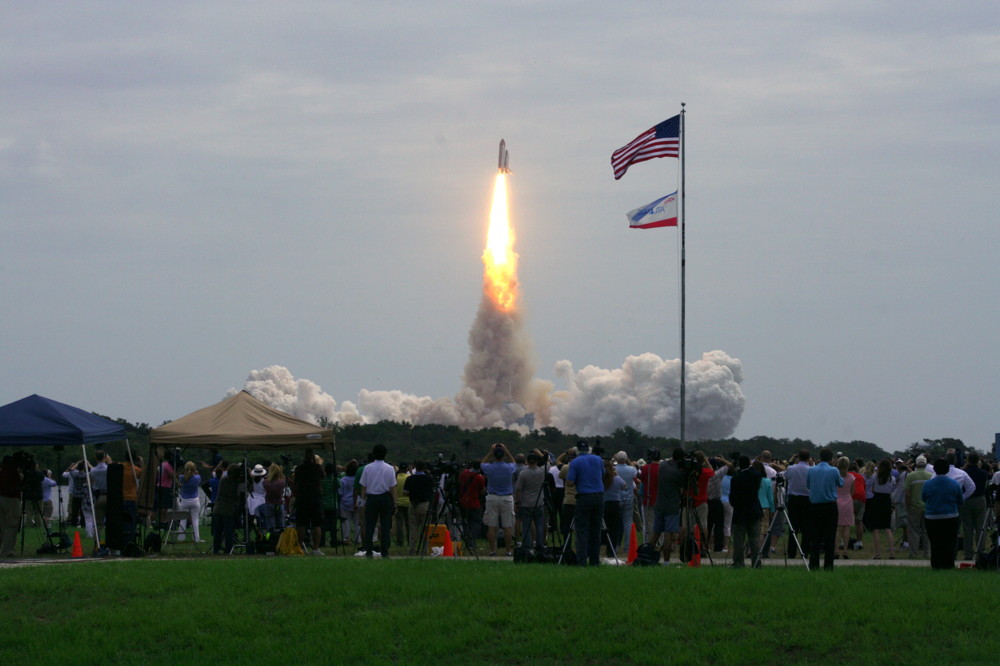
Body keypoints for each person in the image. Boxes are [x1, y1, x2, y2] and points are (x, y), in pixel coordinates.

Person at [922, 458, 964, 569]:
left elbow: (924, 498)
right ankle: (948, 564)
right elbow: (960, 500)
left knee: (935, 542)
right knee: (949, 542)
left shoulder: (927, 484)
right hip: (950, 516)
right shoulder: (954, 484)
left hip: (932, 517)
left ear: (934, 469)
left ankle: (936, 564)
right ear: (947, 470)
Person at [806, 448, 844, 570]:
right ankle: (828, 565)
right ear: (831, 459)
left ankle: (814, 564)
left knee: (815, 536)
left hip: (815, 506)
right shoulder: (834, 470)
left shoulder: (811, 470)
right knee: (830, 537)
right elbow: (841, 483)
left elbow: (808, 485)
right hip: (830, 506)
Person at [568, 441, 604, 566]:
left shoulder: (575, 462)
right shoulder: (598, 459)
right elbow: (602, 475)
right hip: (599, 496)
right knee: (596, 530)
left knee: (582, 530)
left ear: (577, 450)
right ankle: (595, 561)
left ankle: (581, 561)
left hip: (584, 497)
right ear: (588, 449)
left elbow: (570, 482)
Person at [359, 444, 396, 558]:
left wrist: (362, 500)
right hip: (385, 498)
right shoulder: (389, 468)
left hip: (372, 498)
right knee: (385, 526)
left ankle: (369, 551)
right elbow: (392, 488)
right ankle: (384, 551)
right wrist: (395, 502)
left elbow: (363, 487)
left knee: (370, 525)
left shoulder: (367, 468)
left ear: (374, 454)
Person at [481, 443, 516, 557]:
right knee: (507, 526)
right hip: (507, 498)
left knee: (491, 526)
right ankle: (508, 551)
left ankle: (493, 551)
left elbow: (482, 463)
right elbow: (514, 462)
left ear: (495, 456)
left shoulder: (489, 468)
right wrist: (507, 451)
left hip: (492, 497)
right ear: (503, 455)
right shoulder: (509, 468)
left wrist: (490, 452)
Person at [651, 448, 685, 563]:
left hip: (659, 503)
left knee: (656, 533)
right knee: (668, 535)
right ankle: (666, 561)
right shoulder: (679, 472)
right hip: (672, 506)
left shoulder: (663, 465)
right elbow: (682, 487)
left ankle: (648, 557)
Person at [729, 456, 763, 568]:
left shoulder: (736, 477)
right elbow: (756, 473)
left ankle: (739, 563)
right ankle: (756, 562)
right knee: (754, 540)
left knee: (739, 540)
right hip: (753, 510)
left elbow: (732, 497)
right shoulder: (756, 476)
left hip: (740, 511)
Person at [294, 450, 326, 555]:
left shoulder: (299, 469)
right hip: (315, 497)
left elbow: (296, 481)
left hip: (302, 497)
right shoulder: (317, 468)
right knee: (317, 524)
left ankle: (299, 547)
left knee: (301, 523)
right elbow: (323, 476)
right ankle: (316, 548)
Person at [514, 451, 547, 551]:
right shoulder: (542, 471)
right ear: (537, 461)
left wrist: (517, 502)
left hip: (526, 502)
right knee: (540, 525)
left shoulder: (523, 473)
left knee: (526, 525)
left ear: (527, 462)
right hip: (539, 501)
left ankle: (527, 545)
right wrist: (539, 453)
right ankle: (540, 544)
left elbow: (518, 488)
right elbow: (546, 461)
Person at [959, 453, 989, 560]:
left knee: (967, 528)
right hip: (980, 499)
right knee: (980, 527)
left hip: (966, 500)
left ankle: (968, 553)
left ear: (967, 460)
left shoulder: (963, 472)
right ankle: (980, 552)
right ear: (978, 461)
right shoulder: (983, 473)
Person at [784, 449, 812, 559]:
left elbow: (785, 476)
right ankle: (805, 552)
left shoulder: (791, 468)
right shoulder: (811, 469)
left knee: (793, 527)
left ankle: (791, 552)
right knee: (806, 528)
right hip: (807, 500)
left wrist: (792, 462)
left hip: (794, 500)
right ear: (808, 458)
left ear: (798, 457)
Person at [403, 460, 434, 555]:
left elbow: (405, 493)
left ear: (415, 467)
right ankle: (424, 550)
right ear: (424, 468)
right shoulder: (429, 479)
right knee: (425, 529)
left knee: (413, 528)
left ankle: (412, 549)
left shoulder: (410, 479)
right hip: (425, 505)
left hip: (413, 504)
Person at [867, 458, 896, 559]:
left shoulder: (875, 476)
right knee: (887, 528)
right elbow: (893, 490)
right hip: (887, 501)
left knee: (876, 529)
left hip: (877, 500)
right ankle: (892, 552)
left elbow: (872, 488)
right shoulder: (892, 478)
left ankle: (878, 553)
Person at [903, 455, 932, 558]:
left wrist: (907, 506)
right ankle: (927, 553)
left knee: (913, 531)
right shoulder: (930, 476)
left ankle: (913, 553)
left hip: (914, 507)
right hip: (928, 507)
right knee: (927, 532)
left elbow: (907, 493)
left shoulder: (910, 476)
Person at [613, 452, 638, 555]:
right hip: (628, 498)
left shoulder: (614, 469)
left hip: (617, 498)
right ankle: (627, 547)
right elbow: (635, 472)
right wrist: (627, 460)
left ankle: (615, 546)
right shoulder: (631, 469)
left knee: (616, 524)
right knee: (627, 523)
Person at [212, 463, 240, 554]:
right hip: (228, 509)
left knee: (218, 531)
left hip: (218, 507)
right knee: (228, 531)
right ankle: (228, 549)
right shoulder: (236, 482)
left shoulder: (223, 480)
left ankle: (216, 549)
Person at [602, 459, 626, 557]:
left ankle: (602, 543)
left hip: (604, 504)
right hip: (615, 504)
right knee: (615, 528)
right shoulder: (616, 478)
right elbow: (624, 485)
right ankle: (611, 549)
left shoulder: (602, 479)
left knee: (604, 526)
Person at [0, 455, 23, 558]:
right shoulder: (13, 472)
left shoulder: (2, 471)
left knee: (2, 525)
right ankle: (7, 550)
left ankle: (4, 548)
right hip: (11, 499)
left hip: (1, 497)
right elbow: (21, 483)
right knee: (12, 525)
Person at [637, 450, 661, 543]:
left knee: (649, 522)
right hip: (660, 499)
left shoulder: (646, 468)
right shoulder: (662, 468)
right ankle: (660, 541)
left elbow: (642, 479)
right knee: (660, 521)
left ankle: (651, 542)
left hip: (649, 498)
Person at [176, 461, 203, 543]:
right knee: (195, 520)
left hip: (185, 501)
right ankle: (196, 538)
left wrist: (183, 470)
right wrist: (195, 471)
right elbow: (197, 475)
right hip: (195, 500)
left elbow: (177, 477)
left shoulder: (182, 477)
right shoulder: (197, 478)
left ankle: (181, 537)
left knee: (183, 519)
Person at [458, 462, 485, 543]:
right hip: (474, 502)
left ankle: (466, 537)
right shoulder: (479, 478)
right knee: (477, 521)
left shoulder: (464, 473)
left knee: (466, 521)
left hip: (463, 501)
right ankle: (472, 540)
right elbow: (482, 491)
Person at [835, 457, 855, 559]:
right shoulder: (851, 477)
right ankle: (846, 550)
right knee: (846, 527)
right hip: (847, 501)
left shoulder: (836, 476)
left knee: (837, 527)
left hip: (837, 501)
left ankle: (836, 550)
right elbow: (852, 491)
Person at [339, 460, 360, 546]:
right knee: (357, 522)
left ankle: (346, 539)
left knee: (346, 522)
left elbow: (340, 492)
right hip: (357, 503)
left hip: (345, 504)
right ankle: (358, 539)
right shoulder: (358, 480)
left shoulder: (343, 480)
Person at [264, 463, 288, 533]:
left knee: (270, 525)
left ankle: (271, 538)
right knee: (280, 524)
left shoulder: (265, 482)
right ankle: (280, 539)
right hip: (279, 504)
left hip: (269, 503)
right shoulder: (282, 482)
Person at [394, 463, 411, 549]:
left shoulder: (395, 478)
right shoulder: (408, 477)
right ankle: (409, 540)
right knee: (408, 523)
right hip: (408, 502)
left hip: (398, 502)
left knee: (399, 523)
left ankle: (400, 541)